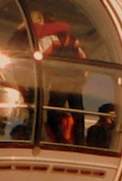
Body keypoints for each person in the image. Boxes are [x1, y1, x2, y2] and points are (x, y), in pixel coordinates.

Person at [34, 11, 87, 145]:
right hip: (77, 80)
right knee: (77, 111)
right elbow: (83, 58)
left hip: (60, 80)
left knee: (54, 111)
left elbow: (39, 57)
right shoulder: (74, 40)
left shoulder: (49, 39)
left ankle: (59, 140)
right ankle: (80, 141)